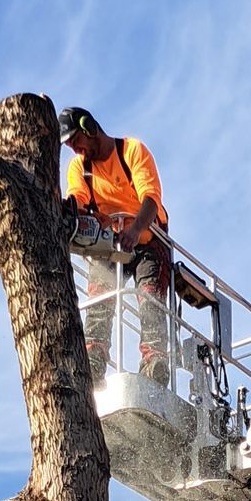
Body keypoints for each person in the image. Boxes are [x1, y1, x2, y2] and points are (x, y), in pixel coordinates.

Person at [57, 107, 171, 382]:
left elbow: (151, 198)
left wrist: (135, 229)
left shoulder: (131, 151)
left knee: (149, 295)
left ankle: (154, 361)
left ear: (90, 128)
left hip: (149, 238)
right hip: (109, 243)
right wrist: (65, 211)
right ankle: (93, 361)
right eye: (70, 146)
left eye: (76, 141)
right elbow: (78, 199)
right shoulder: (80, 168)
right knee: (99, 295)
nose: (76, 150)